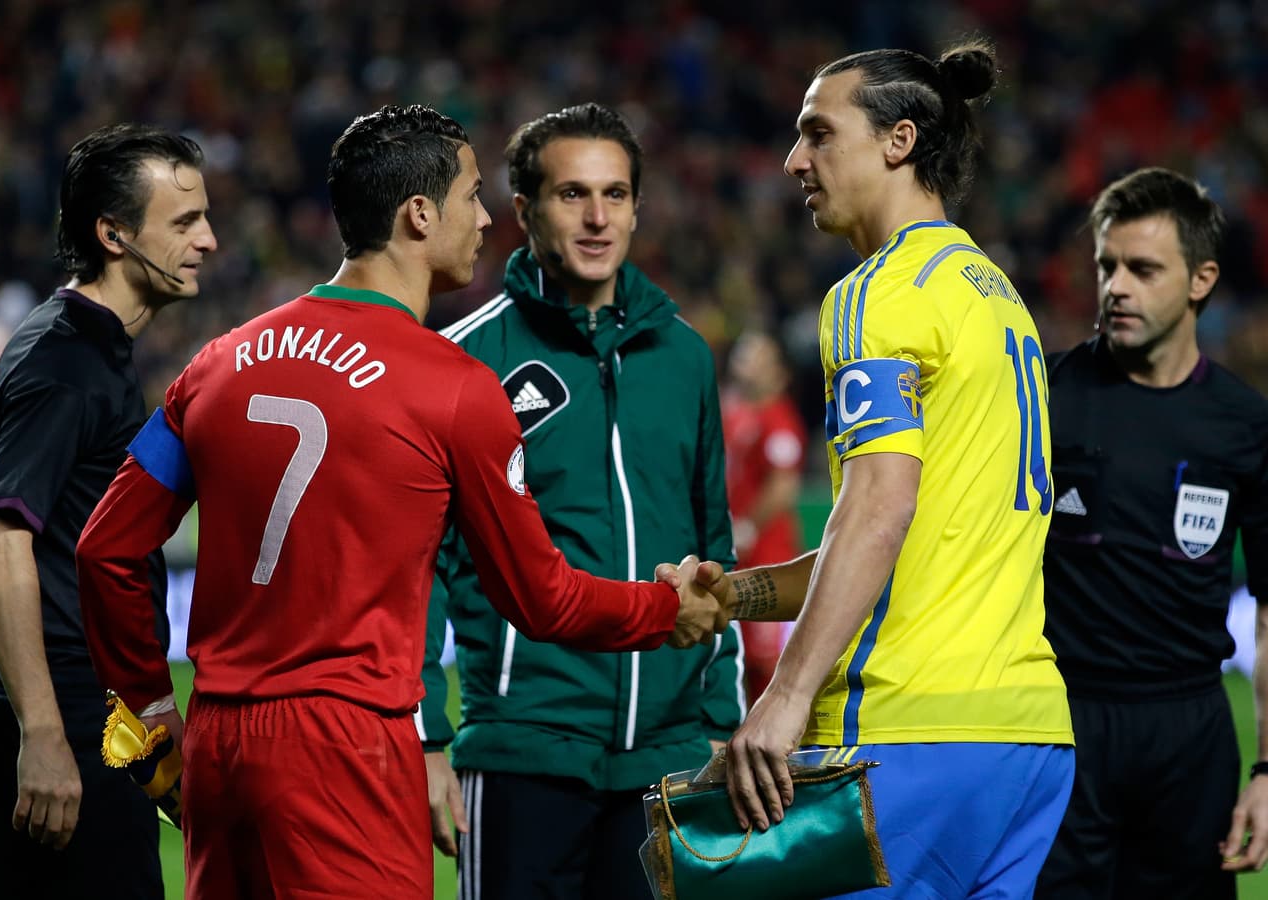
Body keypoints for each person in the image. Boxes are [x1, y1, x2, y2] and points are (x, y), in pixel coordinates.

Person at [73, 104, 723, 900]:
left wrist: (148, 708)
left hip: (217, 742)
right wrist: (665, 609)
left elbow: (103, 547)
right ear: (420, 215)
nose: (485, 219)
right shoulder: (453, 386)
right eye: (472, 196)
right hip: (346, 747)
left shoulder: (218, 362)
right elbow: (542, 599)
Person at [665, 42, 1077, 898]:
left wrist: (781, 696)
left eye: (818, 134)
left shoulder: (877, 293)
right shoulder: (994, 294)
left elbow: (877, 509)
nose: (794, 161)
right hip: (1024, 741)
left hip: (903, 733)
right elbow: (903, 541)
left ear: (898, 141)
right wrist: (735, 596)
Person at [418, 102, 742, 900]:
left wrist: (726, 724)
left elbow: (714, 547)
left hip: (668, 757)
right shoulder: (465, 363)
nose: (598, 218)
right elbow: (418, 568)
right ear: (523, 211)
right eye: (573, 195)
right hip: (525, 750)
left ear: (637, 206)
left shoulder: (686, 357)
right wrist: (427, 738)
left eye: (616, 194)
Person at [0, 124, 216, 899]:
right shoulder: (64, 361)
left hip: (99, 717)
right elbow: (0, 541)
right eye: (184, 222)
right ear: (113, 234)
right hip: (67, 724)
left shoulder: (98, 348)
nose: (210, 240)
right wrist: (45, 737)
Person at [1035, 167, 1268, 899]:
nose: (1116, 287)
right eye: (1107, 266)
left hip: (1188, 735)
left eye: (1142, 269)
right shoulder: (1045, 395)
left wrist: (1267, 771)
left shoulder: (1243, 425)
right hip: (1059, 720)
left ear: (1200, 280)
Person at [721, 329, 808, 703]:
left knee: (766, 661)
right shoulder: (736, 415)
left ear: (778, 371)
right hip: (739, 557)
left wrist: (749, 526)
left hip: (770, 559)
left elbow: (784, 484)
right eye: (744, 352)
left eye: (758, 355)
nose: (747, 361)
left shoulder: (779, 419)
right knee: (737, 661)